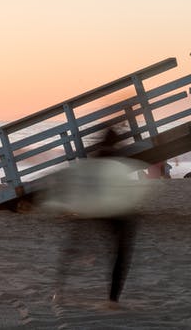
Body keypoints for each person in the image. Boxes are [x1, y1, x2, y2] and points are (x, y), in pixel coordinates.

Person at [52, 127, 139, 306]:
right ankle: (112, 299)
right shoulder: (117, 159)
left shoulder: (93, 159)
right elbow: (122, 188)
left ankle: (59, 292)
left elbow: (78, 181)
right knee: (121, 254)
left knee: (73, 246)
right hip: (114, 211)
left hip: (90, 209)